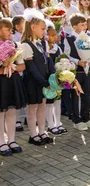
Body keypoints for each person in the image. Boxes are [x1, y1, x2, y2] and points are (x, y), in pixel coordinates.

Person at [21, 9, 54, 145]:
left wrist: (52, 78)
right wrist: (43, 81)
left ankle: (42, 131)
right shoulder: (26, 45)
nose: (44, 32)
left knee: (42, 106)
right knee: (32, 108)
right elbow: (32, 68)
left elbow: (47, 62)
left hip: (44, 81)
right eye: (42, 29)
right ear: (33, 27)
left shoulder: (41, 44)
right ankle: (33, 134)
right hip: (33, 82)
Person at [64, 14, 90, 130]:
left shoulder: (88, 37)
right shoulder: (69, 39)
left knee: (86, 94)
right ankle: (76, 120)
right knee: (76, 95)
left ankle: (86, 117)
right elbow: (66, 55)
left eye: (85, 24)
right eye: (81, 25)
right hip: (76, 71)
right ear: (74, 27)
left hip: (86, 70)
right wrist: (78, 62)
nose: (84, 27)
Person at [0, 19, 26, 155]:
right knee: (1, 113)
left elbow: (23, 66)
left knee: (11, 111)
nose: (10, 32)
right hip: (1, 82)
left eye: (11, 29)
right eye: (7, 29)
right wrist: (2, 69)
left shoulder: (15, 45)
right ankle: (1, 141)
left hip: (12, 81)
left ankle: (11, 139)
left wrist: (12, 65)